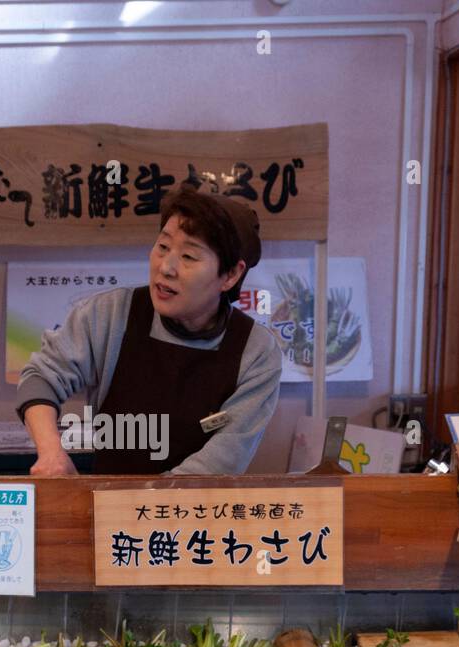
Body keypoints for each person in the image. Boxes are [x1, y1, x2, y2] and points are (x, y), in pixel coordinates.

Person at [15, 185, 282, 475]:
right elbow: (42, 376)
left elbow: (223, 459)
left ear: (231, 275)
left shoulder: (256, 351)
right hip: (109, 509)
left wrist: (142, 508)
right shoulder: (110, 314)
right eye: (163, 246)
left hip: (197, 514)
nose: (166, 267)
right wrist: (51, 452)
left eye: (189, 257)